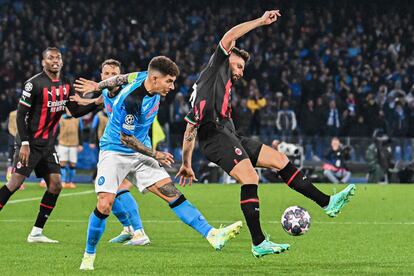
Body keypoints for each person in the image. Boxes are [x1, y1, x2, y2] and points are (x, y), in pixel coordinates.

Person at [176, 10, 356, 258]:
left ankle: (327, 202)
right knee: (250, 178)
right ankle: (259, 242)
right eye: (238, 66)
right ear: (226, 58)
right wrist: (260, 22)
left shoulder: (222, 81)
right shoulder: (214, 70)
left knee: (280, 160)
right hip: (215, 137)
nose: (241, 71)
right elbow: (191, 127)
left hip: (230, 133)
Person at [78, 56, 242, 270]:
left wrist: (98, 85)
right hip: (115, 151)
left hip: (141, 151)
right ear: (155, 79)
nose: (172, 87)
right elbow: (125, 138)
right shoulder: (133, 101)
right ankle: (88, 256)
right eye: (169, 81)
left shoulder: (144, 76)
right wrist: (155, 154)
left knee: (171, 193)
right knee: (105, 204)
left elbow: (120, 78)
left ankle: (212, 234)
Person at [0, 47, 99, 243]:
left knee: (55, 185)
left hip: (47, 145)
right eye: (50, 58)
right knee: (14, 184)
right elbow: (21, 115)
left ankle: (36, 232)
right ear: (43, 62)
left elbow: (76, 111)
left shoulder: (66, 84)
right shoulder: (34, 84)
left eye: (58, 57)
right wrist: (25, 143)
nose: (55, 60)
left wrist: (97, 102)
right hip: (29, 143)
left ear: (62, 62)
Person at [72, 59, 148, 245]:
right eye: (106, 74)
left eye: (114, 74)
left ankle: (139, 232)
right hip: (115, 147)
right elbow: (100, 100)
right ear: (101, 76)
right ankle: (128, 228)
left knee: (119, 187)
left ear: (121, 77)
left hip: (131, 147)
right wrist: (83, 100)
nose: (109, 78)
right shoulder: (106, 91)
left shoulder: (128, 93)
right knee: (104, 190)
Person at [57, 108, 84, 188]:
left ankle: (70, 181)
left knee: (73, 164)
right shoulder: (61, 118)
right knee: (62, 163)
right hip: (62, 143)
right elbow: (57, 130)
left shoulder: (78, 119)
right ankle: (63, 181)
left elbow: (80, 131)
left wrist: (81, 144)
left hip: (73, 144)